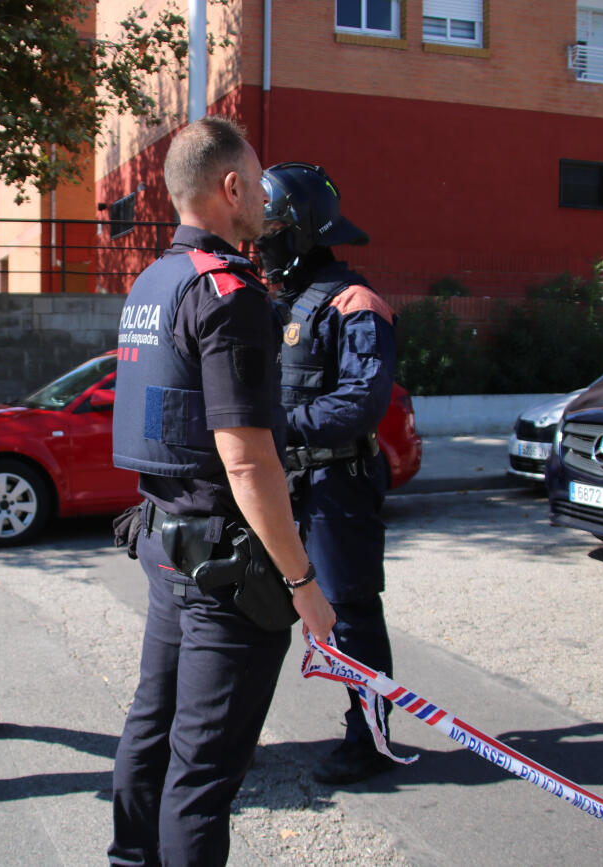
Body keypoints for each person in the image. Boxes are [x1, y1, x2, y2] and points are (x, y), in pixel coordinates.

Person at [108, 117, 336, 866]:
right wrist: (304, 582)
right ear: (230, 186)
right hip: (223, 571)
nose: (267, 202)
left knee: (152, 727)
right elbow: (247, 462)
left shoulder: (151, 281)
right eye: (258, 182)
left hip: (164, 544)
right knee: (202, 773)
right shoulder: (228, 293)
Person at [257, 162, 398, 785]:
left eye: (270, 229)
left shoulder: (356, 304)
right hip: (280, 482)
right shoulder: (272, 302)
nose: (259, 241)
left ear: (304, 230)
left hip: (336, 486)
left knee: (349, 614)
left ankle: (369, 738)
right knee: (253, 605)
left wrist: (277, 430)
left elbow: (362, 401)